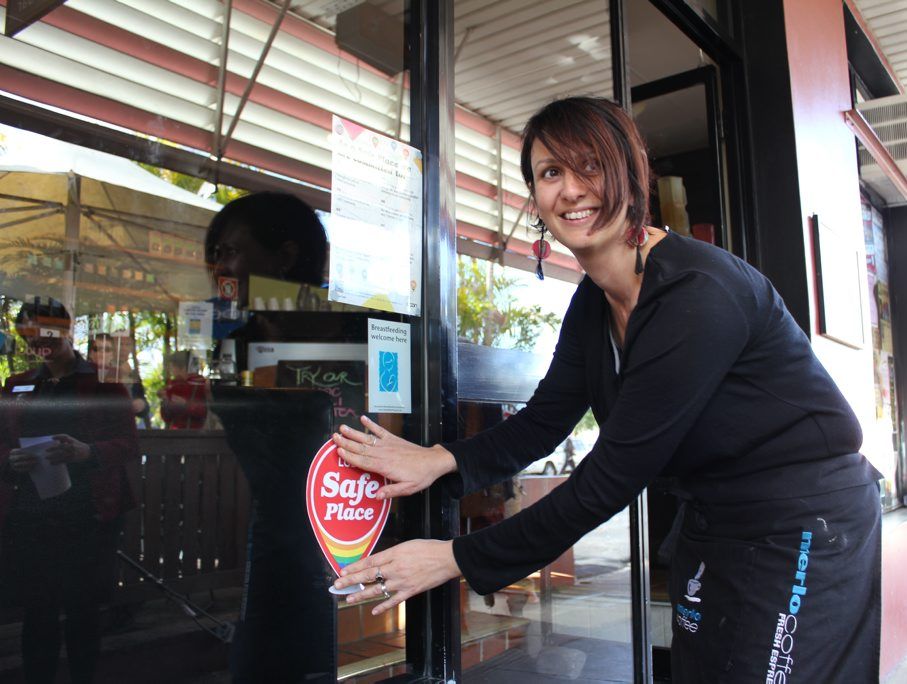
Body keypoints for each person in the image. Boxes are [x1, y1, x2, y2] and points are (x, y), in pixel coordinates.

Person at [331, 97, 882, 682]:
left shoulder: (699, 292)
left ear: (629, 173)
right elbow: (544, 420)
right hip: (716, 519)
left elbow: (613, 474)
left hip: (805, 521)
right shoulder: (593, 302)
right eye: (550, 173)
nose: (570, 190)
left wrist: (454, 558)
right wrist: (438, 459)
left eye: (589, 166)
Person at [205, 192, 335, 682]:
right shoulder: (233, 344)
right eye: (216, 253)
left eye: (232, 251)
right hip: (269, 530)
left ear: (284, 256)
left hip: (333, 531)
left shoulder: (345, 335)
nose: (220, 265)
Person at [0, 298, 139, 683]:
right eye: (27, 332)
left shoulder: (103, 380)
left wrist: (87, 452)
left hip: (90, 514)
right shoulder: (18, 384)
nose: (36, 340)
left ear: (65, 330)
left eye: (44, 330)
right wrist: (10, 459)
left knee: (83, 612)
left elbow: (129, 443)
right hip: (31, 515)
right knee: (38, 612)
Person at [88, 333, 152, 428]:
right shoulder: (81, 374)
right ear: (90, 353)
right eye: (97, 349)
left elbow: (142, 405)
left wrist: (141, 405)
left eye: (107, 350)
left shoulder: (130, 375)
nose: (101, 353)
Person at [158, 349, 207, 429]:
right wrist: (165, 401)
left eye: (172, 367)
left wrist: (186, 405)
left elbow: (205, 411)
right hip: (176, 434)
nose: (171, 371)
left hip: (197, 434)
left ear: (182, 368)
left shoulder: (201, 385)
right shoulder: (172, 386)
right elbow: (167, 418)